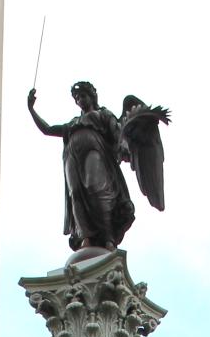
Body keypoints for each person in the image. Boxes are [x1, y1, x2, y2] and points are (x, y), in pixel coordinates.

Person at [27, 81, 135, 252]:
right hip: (72, 157)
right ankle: (85, 237)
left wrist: (124, 148)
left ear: (92, 96)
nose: (79, 100)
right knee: (75, 192)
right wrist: (31, 109)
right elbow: (47, 129)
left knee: (94, 187)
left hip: (95, 151)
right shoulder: (73, 123)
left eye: (82, 96)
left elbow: (118, 135)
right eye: (77, 98)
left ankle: (108, 237)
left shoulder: (103, 114)